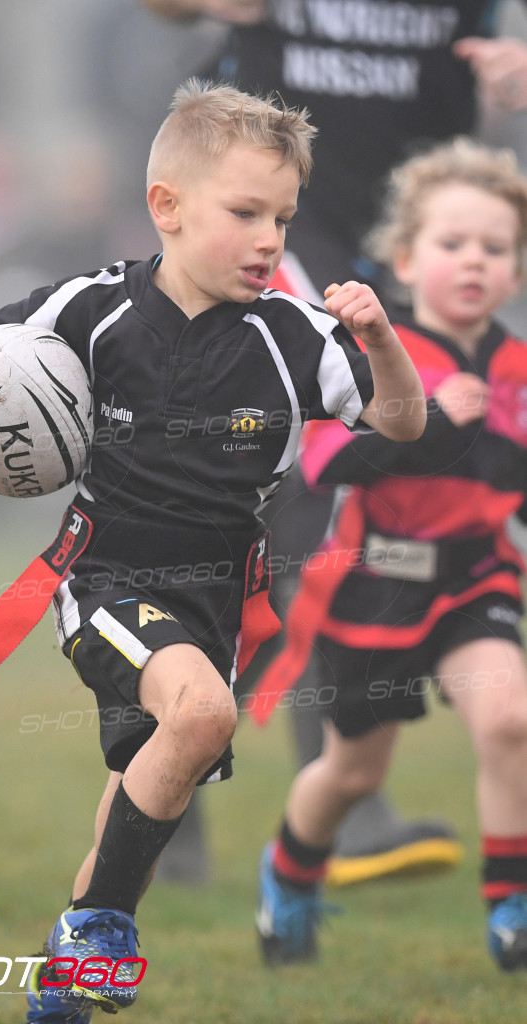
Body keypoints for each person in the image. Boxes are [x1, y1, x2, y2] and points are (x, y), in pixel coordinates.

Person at [0, 79, 425, 1022]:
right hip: (104, 575)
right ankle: (99, 928)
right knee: (200, 713)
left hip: (215, 600)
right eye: (245, 213)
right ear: (167, 207)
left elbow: (400, 422)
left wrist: (382, 341)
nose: (269, 239)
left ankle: (64, 985)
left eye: (283, 218)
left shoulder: (296, 337)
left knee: (139, 794)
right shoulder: (92, 306)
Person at [140, 0, 527, 886]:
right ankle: (326, 800)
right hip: (281, 233)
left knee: (308, 527)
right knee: (317, 505)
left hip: (412, 244)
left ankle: (200, 779)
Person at [254, 136, 527, 972]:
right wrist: (432, 421)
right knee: (352, 774)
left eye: (495, 248)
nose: (473, 261)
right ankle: (287, 876)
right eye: (452, 243)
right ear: (404, 259)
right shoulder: (375, 352)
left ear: (516, 270)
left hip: (474, 577)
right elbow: (324, 464)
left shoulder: (517, 367)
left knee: (509, 721)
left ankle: (510, 909)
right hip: (374, 585)